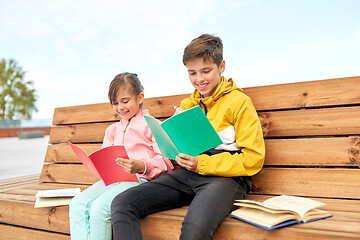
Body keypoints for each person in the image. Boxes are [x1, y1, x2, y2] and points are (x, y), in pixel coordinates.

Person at [111, 34, 265, 240]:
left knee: (194, 227)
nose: (199, 79)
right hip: (189, 174)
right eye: (192, 73)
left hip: (227, 178)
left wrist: (201, 163)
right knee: (123, 203)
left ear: (222, 66)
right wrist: (172, 143)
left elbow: (253, 159)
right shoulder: (187, 105)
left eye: (206, 71)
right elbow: (175, 151)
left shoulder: (239, 102)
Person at [69, 72, 173, 240]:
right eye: (115, 103)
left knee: (100, 208)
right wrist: (96, 166)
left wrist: (142, 165)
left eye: (125, 101)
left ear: (140, 98)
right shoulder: (112, 130)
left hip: (140, 180)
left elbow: (165, 163)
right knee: (77, 204)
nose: (120, 107)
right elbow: (105, 158)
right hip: (113, 181)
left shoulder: (152, 125)